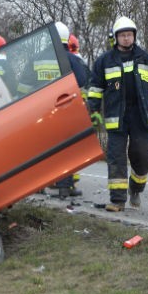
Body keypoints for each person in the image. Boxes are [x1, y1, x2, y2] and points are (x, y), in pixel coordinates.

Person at [87, 16, 148, 212]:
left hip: (140, 116)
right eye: (123, 35)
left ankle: (135, 188)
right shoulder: (104, 61)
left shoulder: (144, 58)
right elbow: (95, 89)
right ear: (116, 38)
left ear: (134, 36)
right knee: (116, 157)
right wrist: (94, 111)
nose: (126, 38)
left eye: (129, 35)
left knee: (141, 156)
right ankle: (117, 200)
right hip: (117, 118)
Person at [52, 22, 89, 198]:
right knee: (67, 150)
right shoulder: (74, 59)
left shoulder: (43, 60)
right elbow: (82, 81)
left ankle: (47, 185)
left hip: (44, 112)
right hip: (67, 110)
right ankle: (65, 187)